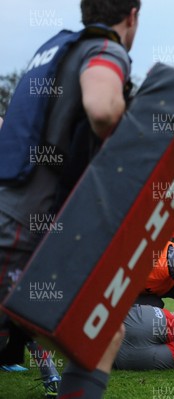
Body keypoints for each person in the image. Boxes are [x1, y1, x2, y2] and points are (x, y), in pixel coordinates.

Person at [0, 1, 140, 397]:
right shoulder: (106, 49)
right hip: (20, 232)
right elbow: (101, 108)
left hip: (26, 226)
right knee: (100, 334)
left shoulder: (53, 50)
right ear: (132, 15)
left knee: (104, 331)